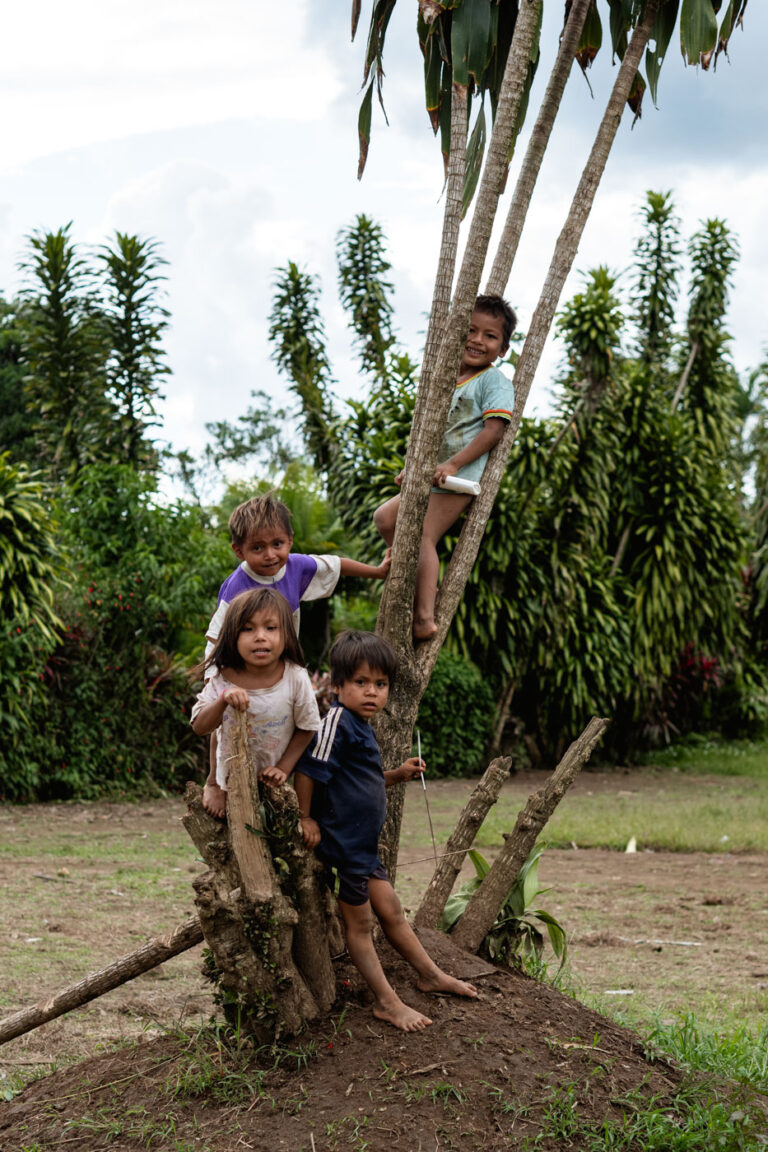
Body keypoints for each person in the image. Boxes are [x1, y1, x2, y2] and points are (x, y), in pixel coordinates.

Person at [294, 631, 478, 1033]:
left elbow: (362, 779)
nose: (372, 692)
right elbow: (309, 769)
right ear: (338, 685)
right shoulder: (337, 723)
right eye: (361, 683)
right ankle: (386, 1001)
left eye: (380, 684)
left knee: (392, 911)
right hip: (343, 848)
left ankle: (431, 975)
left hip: (364, 848)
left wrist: (398, 774)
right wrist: (305, 818)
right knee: (359, 927)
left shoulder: (361, 724)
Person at [202, 493, 391, 816]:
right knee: (226, 719)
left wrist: (378, 571)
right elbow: (217, 635)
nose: (271, 554)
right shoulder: (235, 588)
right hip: (231, 657)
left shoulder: (296, 567)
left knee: (287, 718)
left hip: (278, 659)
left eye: (278, 543)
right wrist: (219, 678)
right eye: (257, 548)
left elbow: (335, 565)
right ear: (239, 551)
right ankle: (214, 783)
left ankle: (276, 779)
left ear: (290, 540)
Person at [373, 294, 517, 640]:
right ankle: (414, 583)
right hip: (435, 475)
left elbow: (494, 429)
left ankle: (424, 616)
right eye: (470, 330)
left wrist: (454, 464)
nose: (477, 340)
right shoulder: (445, 381)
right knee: (385, 518)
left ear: (503, 349)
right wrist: (416, 470)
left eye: (489, 335)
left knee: (424, 536)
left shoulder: (493, 381)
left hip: (460, 479)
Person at [191, 588, 321, 811]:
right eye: (248, 629)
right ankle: (212, 784)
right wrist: (223, 699)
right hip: (228, 785)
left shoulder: (295, 678)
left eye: (271, 628)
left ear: (286, 634)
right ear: (233, 636)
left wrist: (283, 768)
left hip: (274, 785)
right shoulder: (222, 677)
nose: (260, 636)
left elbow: (307, 727)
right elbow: (202, 727)